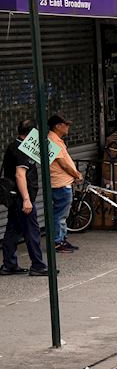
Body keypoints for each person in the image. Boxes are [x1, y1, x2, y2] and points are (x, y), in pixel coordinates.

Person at [2, 119, 50, 276]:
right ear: (31, 133)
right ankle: (37, 265)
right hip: (21, 198)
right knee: (32, 231)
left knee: (12, 230)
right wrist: (26, 199)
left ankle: (9, 265)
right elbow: (20, 175)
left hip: (15, 197)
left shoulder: (13, 146)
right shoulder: (22, 150)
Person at [47, 114, 84, 251]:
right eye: (66, 124)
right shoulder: (52, 141)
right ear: (58, 126)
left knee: (63, 214)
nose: (68, 127)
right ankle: (57, 241)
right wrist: (76, 174)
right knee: (60, 214)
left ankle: (62, 239)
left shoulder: (57, 140)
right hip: (60, 184)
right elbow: (63, 164)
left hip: (64, 183)